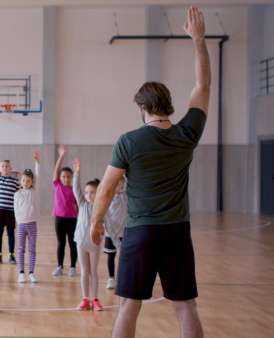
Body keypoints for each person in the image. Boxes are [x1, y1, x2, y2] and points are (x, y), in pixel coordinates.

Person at [90, 6, 209, 338]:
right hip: (177, 232)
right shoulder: (188, 133)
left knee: (129, 306)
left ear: (141, 107)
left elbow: (107, 189)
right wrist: (198, 40)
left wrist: (97, 222)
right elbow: (203, 85)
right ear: (169, 105)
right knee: (185, 307)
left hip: (140, 233)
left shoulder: (129, 141)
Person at [72, 158, 104, 311]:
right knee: (84, 271)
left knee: (94, 272)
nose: (88, 195)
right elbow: (76, 189)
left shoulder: (100, 208)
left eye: (92, 193)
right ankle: (85, 298)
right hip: (81, 243)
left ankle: (95, 298)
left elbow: (106, 224)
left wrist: (104, 230)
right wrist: (77, 173)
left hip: (95, 245)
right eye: (87, 193)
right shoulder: (83, 203)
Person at [13, 150, 42, 283]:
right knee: (20, 249)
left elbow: (39, 176)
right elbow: (15, 210)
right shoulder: (17, 194)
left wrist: (37, 163)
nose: (25, 183)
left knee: (32, 249)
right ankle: (21, 273)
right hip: (21, 224)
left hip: (32, 224)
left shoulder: (34, 192)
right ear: (21, 181)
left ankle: (31, 272)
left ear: (32, 182)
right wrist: (18, 221)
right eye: (23, 180)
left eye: (28, 181)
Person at [52, 145, 79, 276]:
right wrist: (61, 156)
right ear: (60, 178)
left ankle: (73, 266)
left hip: (72, 220)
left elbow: (78, 205)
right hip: (59, 219)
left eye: (68, 177)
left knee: (72, 243)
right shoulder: (57, 185)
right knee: (61, 243)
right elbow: (57, 169)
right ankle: (60, 266)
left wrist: (79, 218)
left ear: (71, 177)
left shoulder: (74, 190)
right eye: (64, 177)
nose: (66, 179)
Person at [103, 176, 126, 289]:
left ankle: (122, 278)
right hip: (110, 233)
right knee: (111, 256)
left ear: (122, 187)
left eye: (119, 184)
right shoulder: (108, 197)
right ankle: (111, 278)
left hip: (123, 233)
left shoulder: (124, 197)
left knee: (124, 257)